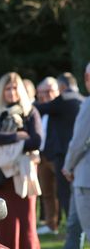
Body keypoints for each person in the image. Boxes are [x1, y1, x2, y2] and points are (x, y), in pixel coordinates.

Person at [0, 72, 42, 249]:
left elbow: (37, 140)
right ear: (1, 91)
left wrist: (9, 142)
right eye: (7, 88)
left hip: (22, 176)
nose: (11, 92)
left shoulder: (30, 111)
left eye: (15, 87)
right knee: (0, 223)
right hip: (0, 176)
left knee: (27, 221)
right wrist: (19, 137)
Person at [35, 72, 84, 230]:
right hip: (76, 154)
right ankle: (56, 225)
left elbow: (39, 108)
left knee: (64, 193)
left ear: (61, 87)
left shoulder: (63, 99)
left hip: (62, 155)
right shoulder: (82, 100)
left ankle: (74, 228)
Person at [60, 62, 90, 249]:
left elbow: (78, 141)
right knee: (74, 227)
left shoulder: (88, 103)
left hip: (84, 178)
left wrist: (68, 166)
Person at [34, 77, 61, 236]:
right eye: (42, 92)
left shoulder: (61, 108)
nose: (45, 95)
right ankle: (52, 225)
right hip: (42, 156)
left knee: (62, 193)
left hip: (57, 157)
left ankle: (71, 226)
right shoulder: (40, 109)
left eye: (49, 91)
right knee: (47, 193)